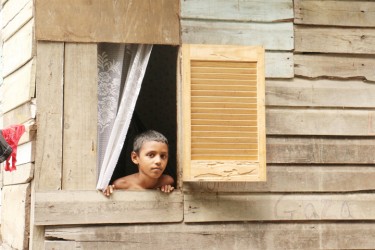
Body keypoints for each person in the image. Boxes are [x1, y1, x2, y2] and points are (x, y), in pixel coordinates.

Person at [103, 130, 174, 196]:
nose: (158, 161)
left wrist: (167, 189)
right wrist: (108, 192)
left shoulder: (167, 181)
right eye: (151, 155)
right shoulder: (122, 185)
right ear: (135, 158)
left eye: (163, 156)